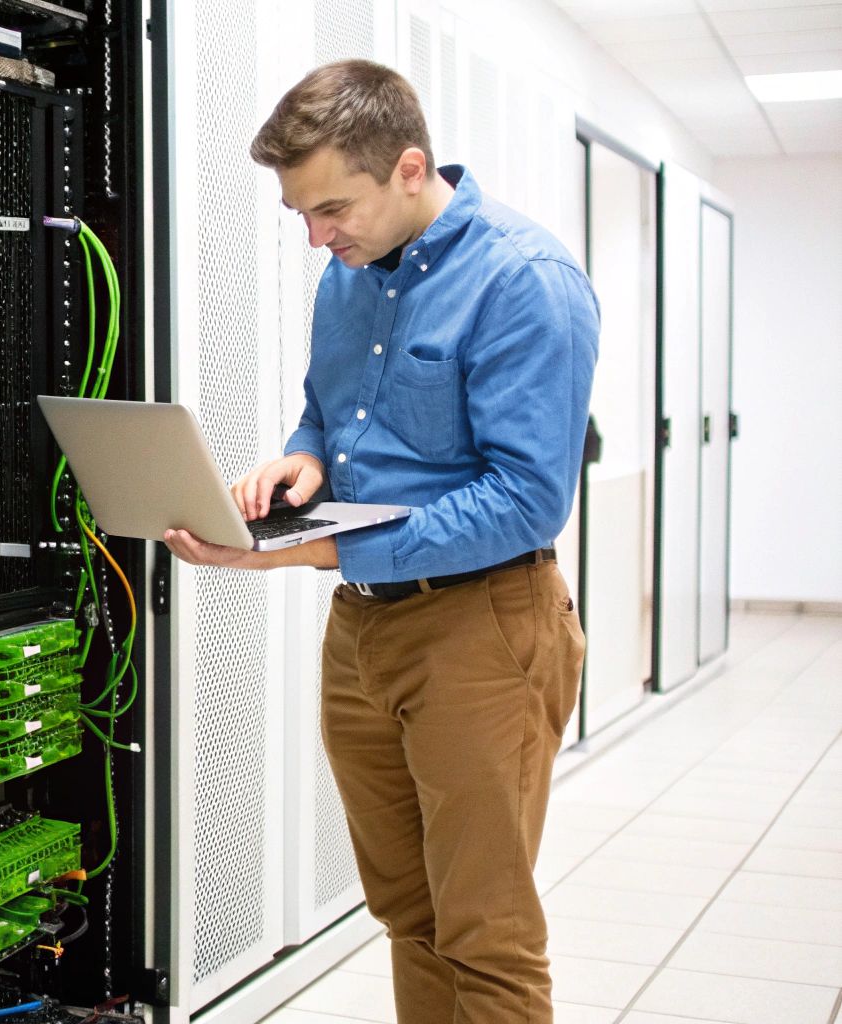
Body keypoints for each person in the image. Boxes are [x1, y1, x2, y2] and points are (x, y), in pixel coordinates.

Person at [162, 60, 596, 1022]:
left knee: (485, 936)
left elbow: (526, 502)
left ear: (409, 167)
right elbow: (328, 415)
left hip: (482, 627)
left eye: (332, 209)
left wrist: (308, 551)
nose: (318, 238)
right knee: (409, 914)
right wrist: (302, 460)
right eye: (301, 216)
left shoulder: (526, 281)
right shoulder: (349, 277)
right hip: (363, 632)